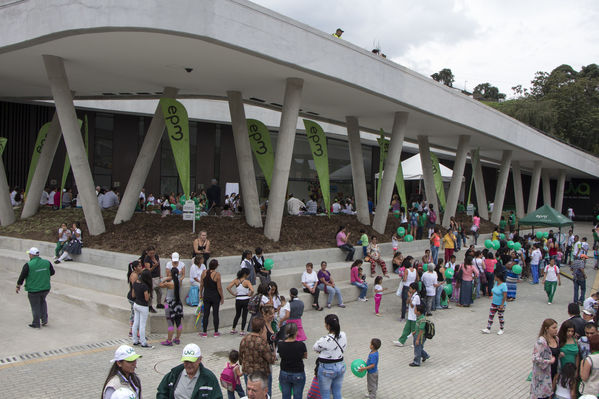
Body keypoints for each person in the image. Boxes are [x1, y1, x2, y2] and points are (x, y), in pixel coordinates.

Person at [156, 343, 222, 399]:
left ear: (200, 359)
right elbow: (161, 393)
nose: (189, 365)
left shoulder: (209, 378)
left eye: (192, 361)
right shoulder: (173, 374)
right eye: (186, 361)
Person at [16, 247, 55, 328]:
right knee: (42, 302)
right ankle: (44, 320)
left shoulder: (28, 265)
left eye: (29, 254)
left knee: (35, 306)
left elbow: (22, 276)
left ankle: (36, 323)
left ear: (31, 255)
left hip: (34, 290)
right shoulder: (47, 262)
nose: (29, 255)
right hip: (45, 288)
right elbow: (52, 272)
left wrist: (18, 286)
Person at [313, 314, 347, 399]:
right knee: (337, 392)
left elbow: (315, 347)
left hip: (326, 369)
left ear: (328, 326)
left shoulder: (324, 339)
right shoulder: (343, 335)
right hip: (340, 366)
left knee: (325, 394)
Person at [239, 317, 275, 395]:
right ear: (262, 329)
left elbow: (240, 358)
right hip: (261, 374)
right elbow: (271, 360)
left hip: (248, 372)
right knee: (265, 394)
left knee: (250, 393)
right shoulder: (262, 342)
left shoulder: (244, 339)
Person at [277, 322, 307, 399]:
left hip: (284, 372)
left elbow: (280, 355)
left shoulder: (280, 345)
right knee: (298, 395)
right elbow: (305, 356)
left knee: (285, 396)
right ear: (296, 332)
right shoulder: (301, 345)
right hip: (298, 372)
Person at [531, 318, 558, 399]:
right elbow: (535, 358)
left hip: (554, 372)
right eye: (553, 328)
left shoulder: (556, 339)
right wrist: (548, 361)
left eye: (556, 327)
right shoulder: (541, 341)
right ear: (546, 329)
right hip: (544, 375)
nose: (556, 330)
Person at [159, 267, 184, 346]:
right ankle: (177, 339)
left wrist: (166, 278)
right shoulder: (179, 282)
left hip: (169, 304)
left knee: (170, 323)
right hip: (178, 304)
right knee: (178, 322)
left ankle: (169, 341)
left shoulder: (169, 283)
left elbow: (160, 285)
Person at [199, 259, 224, 337]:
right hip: (215, 296)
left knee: (206, 314)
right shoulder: (217, 274)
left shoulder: (204, 272)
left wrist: (200, 294)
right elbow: (219, 287)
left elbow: (201, 285)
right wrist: (222, 297)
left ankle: (204, 332)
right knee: (215, 314)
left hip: (206, 295)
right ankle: (216, 332)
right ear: (216, 266)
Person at [131, 269, 153, 348]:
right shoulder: (145, 286)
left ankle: (135, 340)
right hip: (143, 306)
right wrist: (149, 294)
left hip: (136, 304)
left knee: (135, 323)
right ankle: (143, 342)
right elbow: (147, 299)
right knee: (142, 325)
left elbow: (133, 295)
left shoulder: (135, 283)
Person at [228, 268, 254, 335]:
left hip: (238, 299)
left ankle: (233, 329)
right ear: (245, 274)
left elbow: (228, 287)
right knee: (244, 315)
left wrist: (233, 294)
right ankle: (242, 330)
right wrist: (250, 294)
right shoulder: (247, 282)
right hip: (245, 299)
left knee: (237, 314)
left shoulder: (236, 280)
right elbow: (252, 290)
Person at [395, 282, 420, 346]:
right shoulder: (412, 295)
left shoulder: (416, 297)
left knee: (414, 331)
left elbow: (412, 305)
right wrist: (409, 297)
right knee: (406, 329)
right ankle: (401, 341)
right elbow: (407, 302)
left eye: (411, 288)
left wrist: (410, 297)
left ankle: (416, 342)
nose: (409, 289)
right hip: (410, 316)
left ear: (414, 290)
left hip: (414, 317)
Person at [143, 246, 161, 313]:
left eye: (153, 253)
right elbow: (148, 271)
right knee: (151, 292)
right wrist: (153, 266)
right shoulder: (146, 259)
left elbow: (159, 265)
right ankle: (150, 306)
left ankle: (159, 303)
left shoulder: (156, 256)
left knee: (159, 291)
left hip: (157, 276)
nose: (152, 255)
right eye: (151, 253)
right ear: (147, 252)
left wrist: (159, 274)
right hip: (151, 277)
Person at [127, 260, 143, 337]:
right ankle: (132, 331)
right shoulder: (134, 275)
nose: (141, 267)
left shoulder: (137, 273)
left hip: (134, 297)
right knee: (134, 315)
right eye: (139, 266)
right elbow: (135, 288)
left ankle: (133, 331)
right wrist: (136, 297)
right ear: (135, 268)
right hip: (133, 297)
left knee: (134, 314)